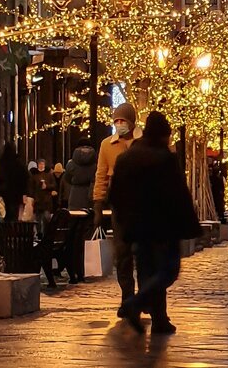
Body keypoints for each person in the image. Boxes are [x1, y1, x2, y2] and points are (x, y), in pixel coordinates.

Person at [110, 111, 201, 335]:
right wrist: (190, 226)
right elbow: (178, 195)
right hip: (162, 227)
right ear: (163, 135)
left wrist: (123, 221)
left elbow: (115, 194)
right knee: (168, 270)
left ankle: (159, 319)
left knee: (146, 273)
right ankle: (135, 304)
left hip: (136, 228)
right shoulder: (165, 159)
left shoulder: (126, 158)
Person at [93, 102, 142, 316]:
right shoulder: (107, 145)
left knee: (142, 253)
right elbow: (101, 175)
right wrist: (98, 202)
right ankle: (127, 298)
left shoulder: (143, 143)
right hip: (120, 205)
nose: (119, 125)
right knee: (122, 255)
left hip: (143, 205)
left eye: (123, 121)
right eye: (116, 121)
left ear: (132, 122)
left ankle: (145, 296)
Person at [64, 138, 97, 284]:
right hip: (89, 199)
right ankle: (86, 268)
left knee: (73, 236)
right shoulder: (95, 164)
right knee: (87, 235)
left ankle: (73, 269)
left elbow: (68, 179)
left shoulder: (71, 164)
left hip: (74, 199)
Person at [0, 142, 30, 223]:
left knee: (5, 211)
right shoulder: (19, 163)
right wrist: (25, 192)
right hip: (17, 192)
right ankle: (13, 230)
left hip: (4, 191)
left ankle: (6, 230)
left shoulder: (1, 163)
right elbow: (25, 178)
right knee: (14, 212)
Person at [29, 158, 56, 232]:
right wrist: (32, 197)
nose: (41, 165)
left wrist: (46, 186)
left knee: (46, 218)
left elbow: (54, 185)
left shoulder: (49, 175)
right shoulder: (34, 175)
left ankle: (46, 233)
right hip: (37, 200)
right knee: (38, 219)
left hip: (46, 200)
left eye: (42, 164)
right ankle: (39, 234)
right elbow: (31, 187)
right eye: (40, 164)